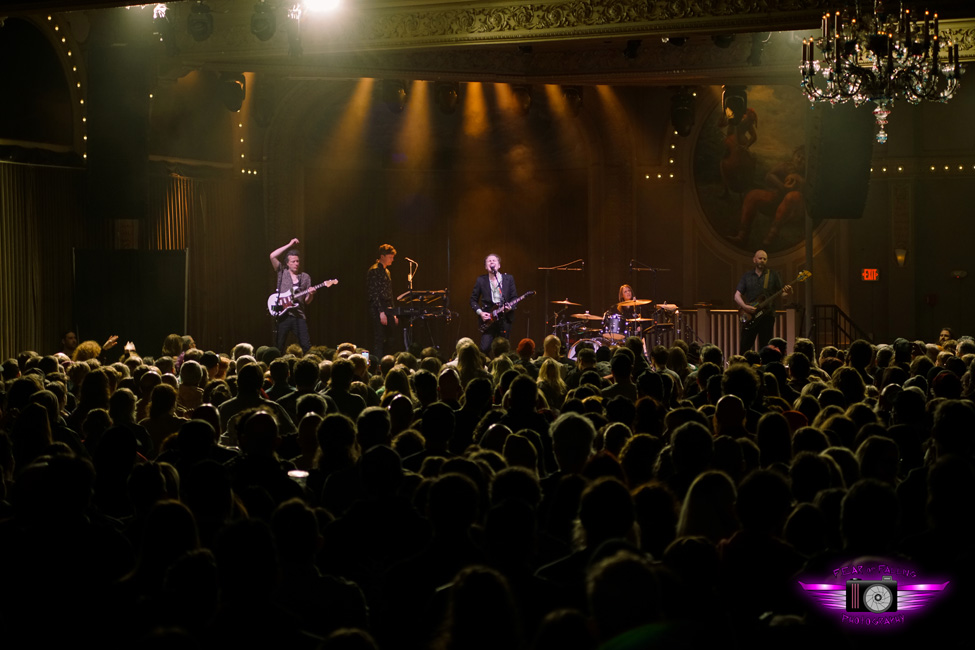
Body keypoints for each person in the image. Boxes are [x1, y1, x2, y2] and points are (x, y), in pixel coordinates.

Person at [734, 249, 790, 353]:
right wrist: (745, 307)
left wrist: (788, 292)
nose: (762, 260)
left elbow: (782, 294)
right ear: (754, 260)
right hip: (751, 316)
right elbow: (737, 295)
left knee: (765, 348)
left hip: (767, 316)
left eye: (765, 259)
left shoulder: (773, 275)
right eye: (760, 258)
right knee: (744, 347)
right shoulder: (747, 276)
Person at [269, 238, 316, 353]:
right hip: (282, 315)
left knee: (306, 346)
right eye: (293, 261)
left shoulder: (305, 277)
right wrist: (289, 244)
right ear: (287, 263)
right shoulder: (282, 272)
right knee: (279, 346)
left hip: (298, 315)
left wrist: (310, 294)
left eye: (297, 261)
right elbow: (272, 256)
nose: (296, 264)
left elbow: (307, 301)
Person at [470, 253, 518, 354]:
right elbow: (473, 300)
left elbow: (514, 297)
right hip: (489, 318)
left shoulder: (508, 279)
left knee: (503, 349)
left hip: (504, 317)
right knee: (485, 348)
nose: (492, 262)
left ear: (499, 265)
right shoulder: (481, 280)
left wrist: (510, 307)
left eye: (494, 260)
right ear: (486, 267)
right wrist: (481, 313)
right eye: (489, 261)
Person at [366, 244, 398, 364]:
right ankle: (378, 365)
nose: (392, 259)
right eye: (390, 257)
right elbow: (374, 293)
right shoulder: (374, 271)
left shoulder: (387, 271)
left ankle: (388, 362)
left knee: (391, 337)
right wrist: (381, 312)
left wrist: (393, 312)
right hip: (378, 307)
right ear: (382, 256)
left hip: (388, 307)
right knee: (379, 337)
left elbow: (390, 293)